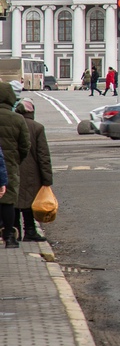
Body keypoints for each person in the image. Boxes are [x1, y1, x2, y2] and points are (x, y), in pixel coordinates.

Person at [0, 83, 31, 248]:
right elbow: (25, 145)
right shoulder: (17, 119)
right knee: (8, 201)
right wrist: (16, 159)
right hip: (10, 163)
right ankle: (9, 236)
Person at [16, 100, 52, 242]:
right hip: (32, 171)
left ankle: (14, 230)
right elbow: (43, 155)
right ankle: (30, 231)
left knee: (14, 200)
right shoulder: (37, 127)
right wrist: (47, 179)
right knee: (30, 202)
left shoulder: (12, 125)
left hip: (12, 168)